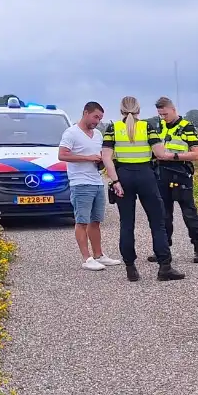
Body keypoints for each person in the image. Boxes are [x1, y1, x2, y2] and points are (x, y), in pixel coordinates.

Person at [101, 96, 185, 282]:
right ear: (139, 109)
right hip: (146, 175)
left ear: (121, 110)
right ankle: (165, 266)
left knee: (127, 223)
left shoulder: (112, 128)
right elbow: (160, 154)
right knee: (157, 222)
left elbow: (106, 157)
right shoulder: (148, 127)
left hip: (123, 175)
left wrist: (115, 181)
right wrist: (181, 155)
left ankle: (131, 268)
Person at [57, 101, 122, 271]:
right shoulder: (71, 133)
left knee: (96, 221)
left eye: (100, 118)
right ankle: (87, 258)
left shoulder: (98, 134)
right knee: (82, 221)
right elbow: (62, 155)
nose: (97, 121)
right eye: (95, 117)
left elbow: (100, 156)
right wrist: (87, 158)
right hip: (80, 183)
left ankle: (99, 254)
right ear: (85, 112)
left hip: (96, 181)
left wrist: (101, 162)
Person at [147, 96, 198, 264]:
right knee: (163, 214)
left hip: (181, 173)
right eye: (160, 114)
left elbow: (197, 153)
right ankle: (164, 249)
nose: (163, 117)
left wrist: (172, 156)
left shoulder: (186, 127)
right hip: (161, 173)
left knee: (189, 213)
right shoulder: (159, 126)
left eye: (165, 114)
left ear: (173, 110)